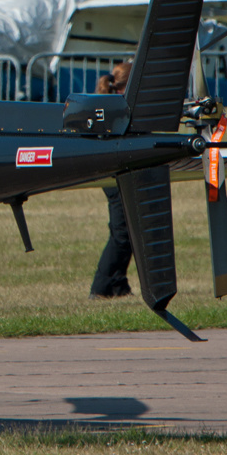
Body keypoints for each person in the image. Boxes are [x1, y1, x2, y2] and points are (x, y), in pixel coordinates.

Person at [90, 60, 134, 299]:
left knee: (125, 230)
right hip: (115, 174)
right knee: (122, 233)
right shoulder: (118, 108)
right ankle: (100, 287)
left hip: (114, 173)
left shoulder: (112, 104)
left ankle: (118, 285)